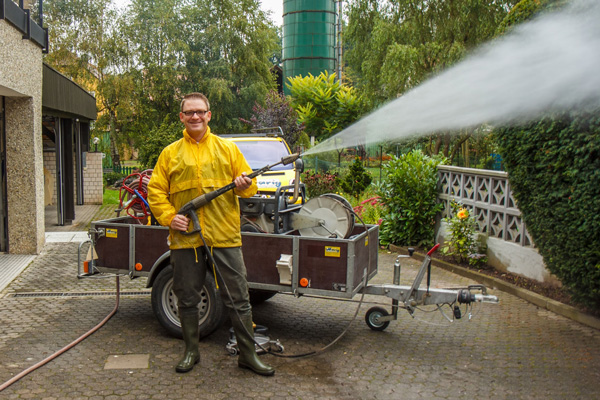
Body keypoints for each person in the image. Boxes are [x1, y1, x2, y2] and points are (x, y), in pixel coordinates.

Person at [147, 92, 274, 376]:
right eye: (189, 112)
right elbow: (155, 191)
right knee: (187, 297)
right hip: (185, 238)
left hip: (224, 235)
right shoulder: (170, 153)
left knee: (238, 296)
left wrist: (242, 184)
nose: (195, 116)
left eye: (200, 112)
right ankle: (191, 351)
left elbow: (250, 188)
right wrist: (170, 218)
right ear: (181, 117)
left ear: (209, 115)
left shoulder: (227, 149)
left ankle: (247, 354)